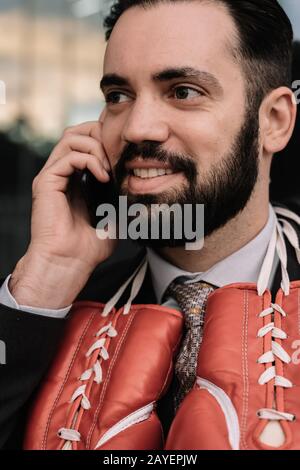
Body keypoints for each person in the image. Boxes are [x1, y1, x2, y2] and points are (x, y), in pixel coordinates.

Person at [0, 0, 299, 450]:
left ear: (273, 121)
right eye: (118, 96)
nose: (137, 128)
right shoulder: (52, 307)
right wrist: (47, 279)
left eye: (183, 91)